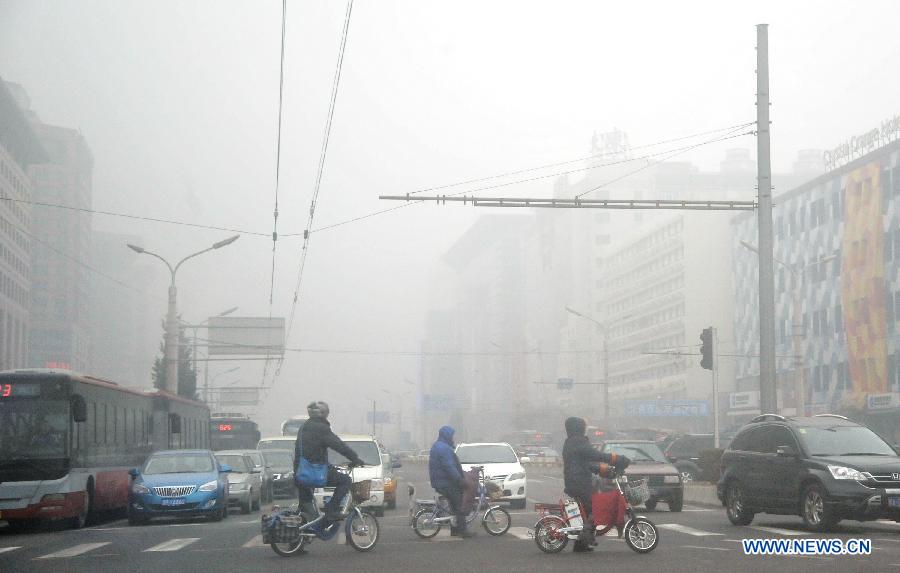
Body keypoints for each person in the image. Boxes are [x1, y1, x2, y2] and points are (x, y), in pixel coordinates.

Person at [562, 417, 630, 552]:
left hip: (575, 481)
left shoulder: (572, 442)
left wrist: (603, 470)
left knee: (587, 512)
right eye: (584, 427)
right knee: (595, 508)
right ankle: (585, 538)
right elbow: (595, 455)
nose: (585, 430)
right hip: (579, 482)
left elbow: (585, 463)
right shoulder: (578, 442)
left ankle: (582, 543)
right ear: (579, 428)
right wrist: (616, 459)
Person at [293, 401, 365, 524]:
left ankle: (303, 528)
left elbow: (310, 452)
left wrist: (328, 466)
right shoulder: (322, 428)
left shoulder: (304, 427)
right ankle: (331, 510)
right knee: (345, 481)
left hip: (300, 473)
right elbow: (339, 446)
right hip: (314, 473)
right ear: (323, 414)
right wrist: (355, 458)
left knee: (306, 506)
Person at [428, 426, 474, 538]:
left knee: (453, 506)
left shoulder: (438, 446)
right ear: (447, 436)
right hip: (445, 482)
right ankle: (462, 530)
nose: (454, 438)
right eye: (453, 435)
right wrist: (460, 480)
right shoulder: (444, 448)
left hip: (440, 481)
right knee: (459, 504)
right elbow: (449, 467)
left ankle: (455, 529)